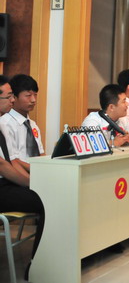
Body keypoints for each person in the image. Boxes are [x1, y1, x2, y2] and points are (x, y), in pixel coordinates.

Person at [0, 75, 45, 281]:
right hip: (3, 186)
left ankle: (43, 260)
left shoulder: (4, 125)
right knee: (45, 201)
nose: (11, 100)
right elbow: (4, 165)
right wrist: (32, 184)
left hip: (8, 183)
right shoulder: (6, 123)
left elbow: (12, 161)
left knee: (49, 197)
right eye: (8, 96)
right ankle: (38, 265)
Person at [0, 74, 44, 174]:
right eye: (28, 95)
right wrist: (36, 174)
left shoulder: (33, 124)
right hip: (19, 174)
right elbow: (13, 161)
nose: (33, 100)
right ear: (14, 97)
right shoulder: (5, 123)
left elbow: (40, 153)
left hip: (35, 172)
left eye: (35, 95)